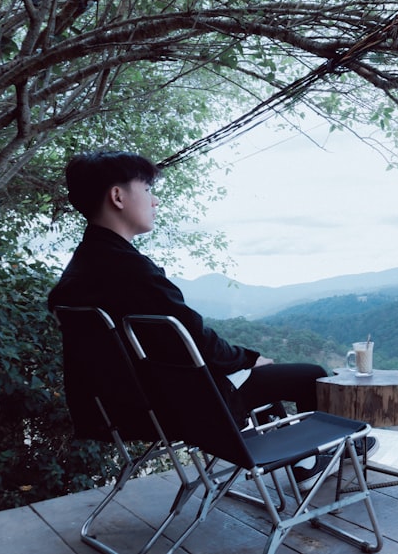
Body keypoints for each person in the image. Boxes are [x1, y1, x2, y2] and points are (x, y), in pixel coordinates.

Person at [48, 151, 372, 489]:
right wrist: (249, 358)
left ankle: (305, 458)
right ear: (118, 196)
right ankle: (311, 465)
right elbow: (195, 340)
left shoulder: (77, 274)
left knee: (257, 377)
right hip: (184, 409)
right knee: (312, 375)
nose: (155, 200)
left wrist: (243, 362)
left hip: (119, 411)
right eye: (146, 189)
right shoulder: (132, 272)